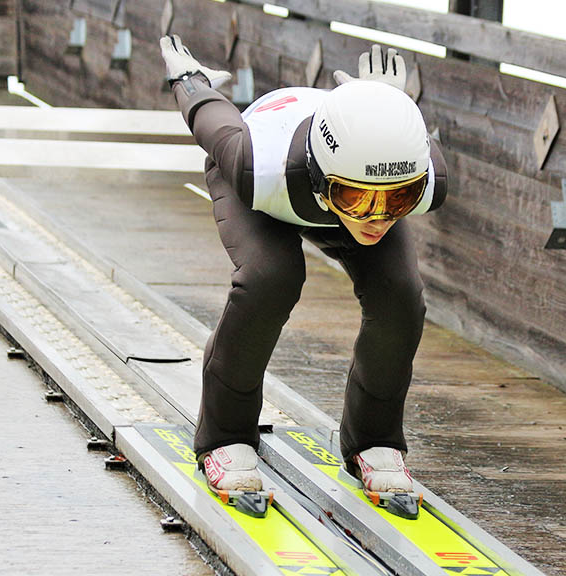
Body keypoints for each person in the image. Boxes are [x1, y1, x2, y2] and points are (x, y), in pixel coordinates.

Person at [159, 35, 448, 517]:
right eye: (361, 199)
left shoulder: (422, 178)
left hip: (343, 169)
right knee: (270, 279)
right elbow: (212, 118)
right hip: (272, 193)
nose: (377, 219)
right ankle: (225, 438)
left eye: (398, 201)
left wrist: (384, 105)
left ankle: (373, 442)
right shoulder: (258, 163)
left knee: (400, 296)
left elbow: (381, 187)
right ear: (322, 176)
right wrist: (192, 80)